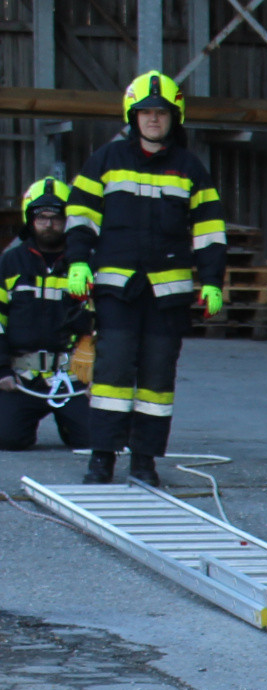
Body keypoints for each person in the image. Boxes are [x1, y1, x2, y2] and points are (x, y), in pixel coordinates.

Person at [63, 71, 224, 487]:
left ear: (175, 117)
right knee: (112, 374)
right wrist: (78, 262)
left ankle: (144, 462)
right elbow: (80, 216)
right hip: (117, 291)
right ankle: (102, 459)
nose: (153, 119)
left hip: (167, 296)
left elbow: (209, 230)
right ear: (132, 116)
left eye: (162, 112)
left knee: (157, 381)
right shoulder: (105, 160)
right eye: (146, 112)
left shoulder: (190, 168)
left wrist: (211, 280)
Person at [0, 177, 93, 452]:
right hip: (22, 378)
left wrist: (100, 373)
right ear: (30, 219)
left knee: (94, 440)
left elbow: (104, 321)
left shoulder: (85, 265)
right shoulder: (10, 262)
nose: (49, 224)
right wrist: (2, 369)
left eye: (56, 217)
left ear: (68, 220)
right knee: (7, 438)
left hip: (73, 377)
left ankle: (72, 423)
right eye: (42, 217)